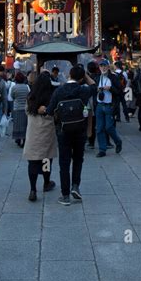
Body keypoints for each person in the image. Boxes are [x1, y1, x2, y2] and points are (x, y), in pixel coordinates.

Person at [45, 64, 96, 205]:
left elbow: (49, 111)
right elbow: (94, 85)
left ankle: (65, 195)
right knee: (78, 159)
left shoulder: (59, 91)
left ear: (69, 75)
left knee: (64, 163)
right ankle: (75, 186)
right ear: (81, 79)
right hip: (80, 130)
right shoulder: (83, 90)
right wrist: (84, 75)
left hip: (63, 131)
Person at [23, 71, 57, 201]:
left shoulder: (31, 96)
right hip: (47, 132)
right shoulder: (51, 96)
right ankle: (46, 182)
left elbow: (27, 111)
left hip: (33, 132)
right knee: (46, 158)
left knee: (32, 161)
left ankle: (33, 189)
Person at [95, 60, 123, 157]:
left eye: (104, 66)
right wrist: (97, 89)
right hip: (99, 105)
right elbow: (93, 88)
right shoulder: (98, 77)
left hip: (109, 105)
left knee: (109, 127)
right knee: (99, 129)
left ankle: (118, 141)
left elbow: (120, 91)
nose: (103, 68)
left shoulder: (113, 77)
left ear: (108, 67)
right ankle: (102, 149)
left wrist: (110, 88)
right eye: (101, 66)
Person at [11, 72, 30, 147]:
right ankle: (24, 140)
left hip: (17, 108)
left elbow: (12, 96)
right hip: (25, 108)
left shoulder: (14, 87)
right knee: (25, 125)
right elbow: (29, 96)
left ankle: (18, 139)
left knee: (17, 125)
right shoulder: (27, 87)